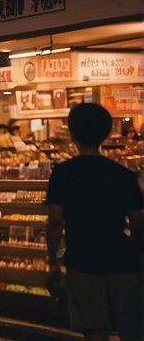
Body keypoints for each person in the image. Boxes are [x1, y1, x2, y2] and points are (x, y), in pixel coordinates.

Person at [46, 102, 143, 341]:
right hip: (123, 260)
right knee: (130, 329)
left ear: (72, 133)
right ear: (107, 133)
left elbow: (56, 219)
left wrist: (52, 261)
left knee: (95, 330)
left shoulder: (62, 173)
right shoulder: (124, 176)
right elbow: (138, 222)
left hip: (82, 260)